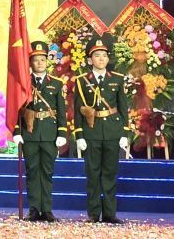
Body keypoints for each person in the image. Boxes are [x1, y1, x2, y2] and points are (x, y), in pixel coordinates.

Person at [73, 35, 130, 224]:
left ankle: (110, 213)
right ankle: (93, 214)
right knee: (92, 174)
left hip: (112, 131)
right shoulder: (82, 81)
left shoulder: (117, 79)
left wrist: (124, 132)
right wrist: (79, 134)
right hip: (92, 131)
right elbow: (78, 109)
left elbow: (123, 108)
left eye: (104, 55)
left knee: (110, 173)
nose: (101, 59)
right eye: (97, 56)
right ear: (90, 59)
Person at [12, 41, 68, 222]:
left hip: (49, 133)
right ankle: (34, 209)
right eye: (36, 60)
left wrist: (61, 132)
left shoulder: (57, 84)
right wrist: (16, 131)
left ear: (47, 61)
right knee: (32, 172)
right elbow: (17, 109)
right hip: (29, 133)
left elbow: (61, 110)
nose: (39, 63)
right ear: (30, 62)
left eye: (42, 59)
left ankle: (47, 209)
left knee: (47, 172)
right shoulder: (23, 84)